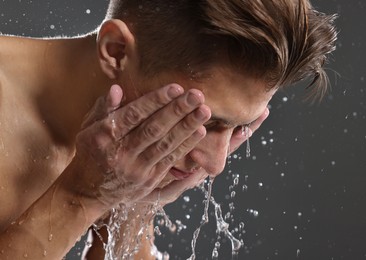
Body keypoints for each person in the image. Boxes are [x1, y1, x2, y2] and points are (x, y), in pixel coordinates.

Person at [0, 0, 337, 259]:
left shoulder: (117, 144)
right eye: (203, 121)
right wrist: (82, 197)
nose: (215, 164)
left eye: (239, 127)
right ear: (116, 51)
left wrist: (134, 204)